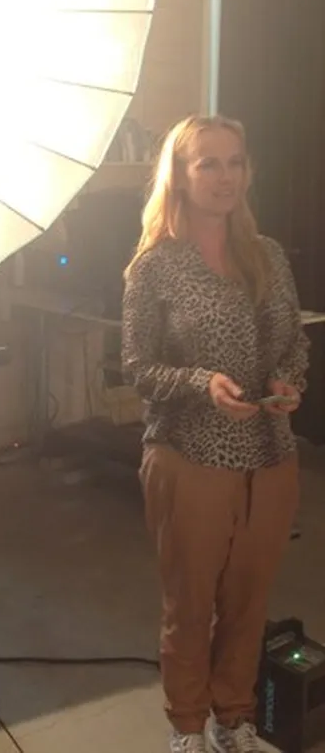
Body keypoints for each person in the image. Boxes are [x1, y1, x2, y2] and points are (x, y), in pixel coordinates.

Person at [121, 115, 308, 753]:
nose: (225, 176)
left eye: (235, 162)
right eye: (208, 163)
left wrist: (287, 380)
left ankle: (234, 720)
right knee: (191, 604)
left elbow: (294, 341)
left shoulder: (268, 255)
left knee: (249, 602)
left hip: (271, 455)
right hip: (190, 456)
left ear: (248, 171)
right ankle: (187, 729)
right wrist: (203, 384)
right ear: (179, 175)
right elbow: (137, 367)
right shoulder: (154, 267)